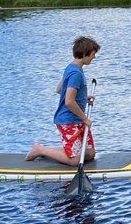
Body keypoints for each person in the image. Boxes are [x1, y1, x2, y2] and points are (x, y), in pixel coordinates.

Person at [26, 36, 99, 164]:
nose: (94, 57)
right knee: (76, 160)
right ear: (85, 54)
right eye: (93, 54)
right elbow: (69, 102)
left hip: (77, 119)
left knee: (90, 154)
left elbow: (59, 89)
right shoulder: (76, 73)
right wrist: (85, 119)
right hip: (69, 121)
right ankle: (40, 149)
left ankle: (67, 150)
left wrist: (82, 97)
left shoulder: (71, 67)